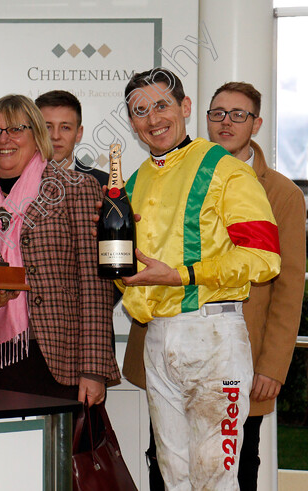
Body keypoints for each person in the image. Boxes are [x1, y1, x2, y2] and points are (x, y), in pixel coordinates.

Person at [123, 81, 304, 491]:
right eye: (139, 110)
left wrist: (184, 275)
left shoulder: (226, 169)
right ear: (131, 122)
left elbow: (265, 259)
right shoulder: (135, 181)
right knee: (172, 473)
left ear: (184, 106)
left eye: (161, 105)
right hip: (157, 336)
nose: (153, 119)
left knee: (215, 475)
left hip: (213, 334)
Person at [0, 94, 119, 404]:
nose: (4, 139)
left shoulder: (76, 189)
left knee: (58, 452)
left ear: (37, 135)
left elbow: (95, 285)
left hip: (58, 360)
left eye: (16, 129)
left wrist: (93, 370)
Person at [36, 89, 109, 187]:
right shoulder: (14, 183)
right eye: (47, 127)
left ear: (78, 133)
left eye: (65, 128)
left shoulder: (104, 184)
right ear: (35, 132)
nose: (55, 136)